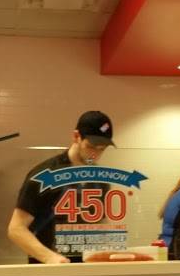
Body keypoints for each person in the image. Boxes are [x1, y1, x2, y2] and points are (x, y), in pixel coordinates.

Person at [7, 111, 115, 263]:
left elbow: (100, 223)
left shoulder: (100, 180)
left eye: (102, 149)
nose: (95, 154)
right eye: (91, 147)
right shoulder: (44, 176)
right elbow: (16, 229)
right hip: (48, 269)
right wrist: (50, 258)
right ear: (76, 136)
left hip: (85, 268)